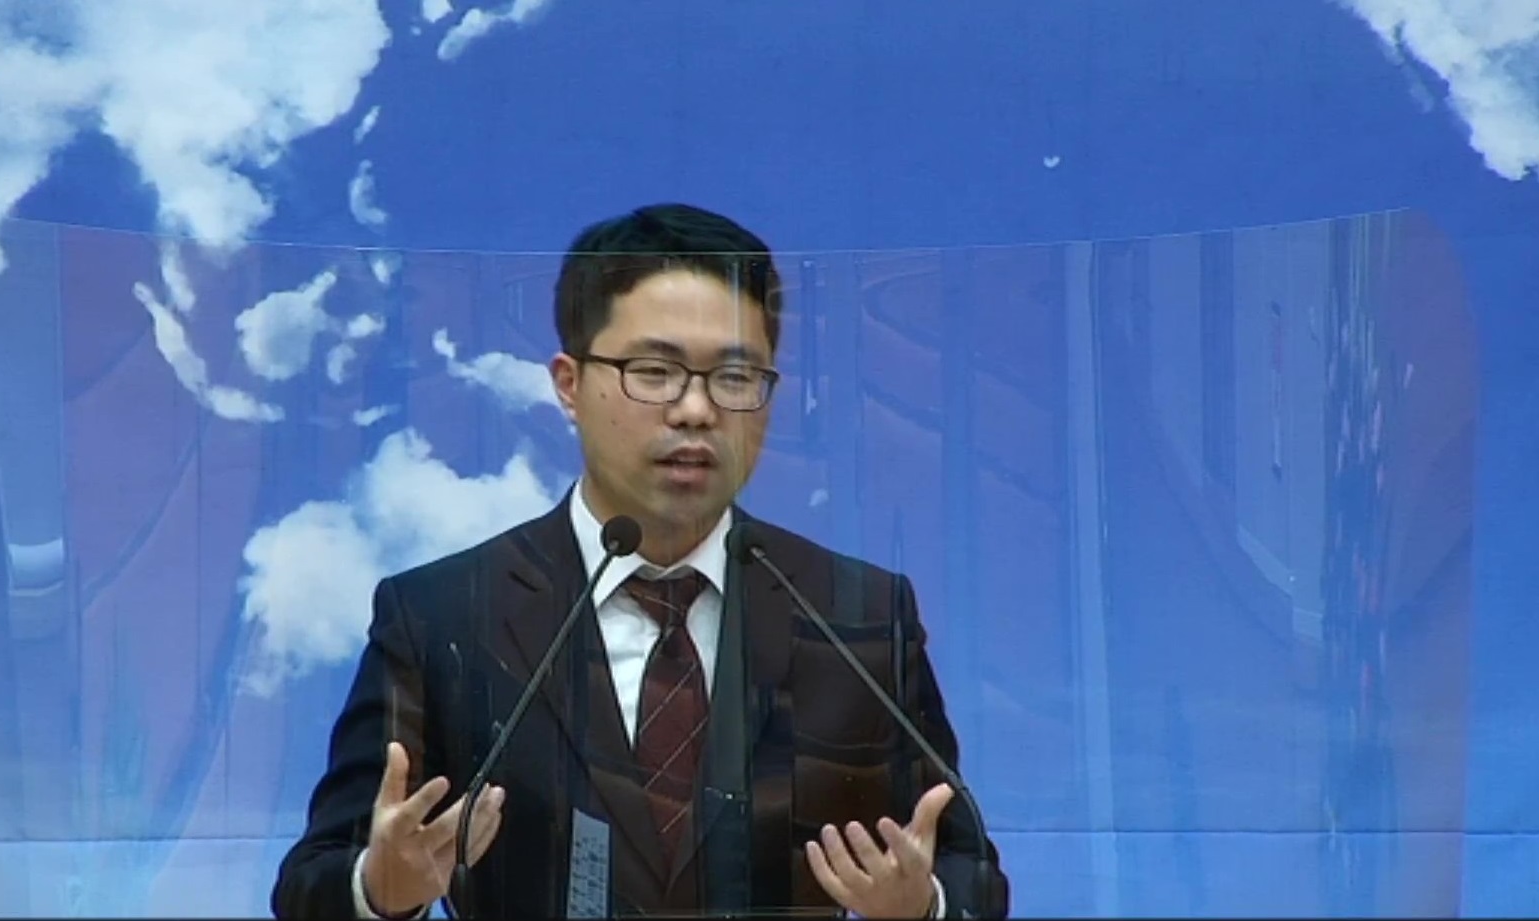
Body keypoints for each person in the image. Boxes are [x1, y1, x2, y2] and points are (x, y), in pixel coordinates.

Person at [271, 203, 1008, 919]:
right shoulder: (442, 614)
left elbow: (967, 869)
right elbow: (314, 880)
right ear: (569, 385)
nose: (696, 410)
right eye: (654, 371)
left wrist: (922, 905)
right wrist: (382, 887)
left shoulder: (856, 610)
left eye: (735, 377)